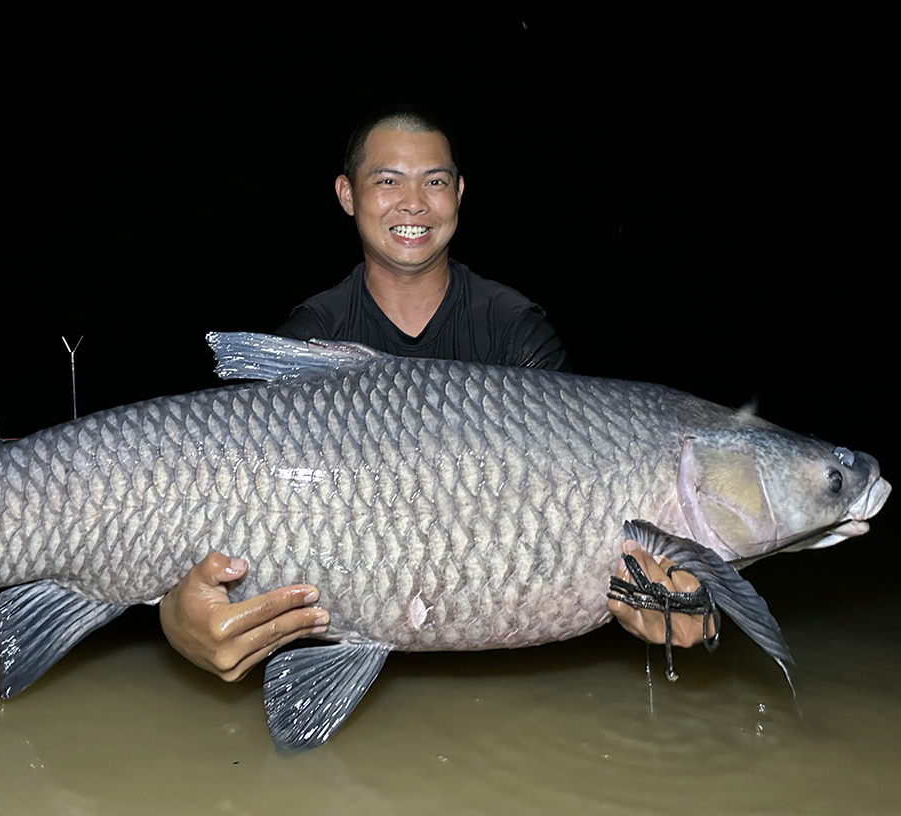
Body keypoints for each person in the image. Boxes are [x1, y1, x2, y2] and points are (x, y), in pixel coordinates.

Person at [159, 106, 713, 682]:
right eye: (388, 180)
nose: (414, 202)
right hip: (326, 627)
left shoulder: (515, 331)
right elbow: (224, 502)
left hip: (504, 693)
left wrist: (689, 603)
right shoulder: (311, 333)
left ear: (459, 193)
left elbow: (580, 508)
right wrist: (178, 619)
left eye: (436, 181)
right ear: (348, 194)